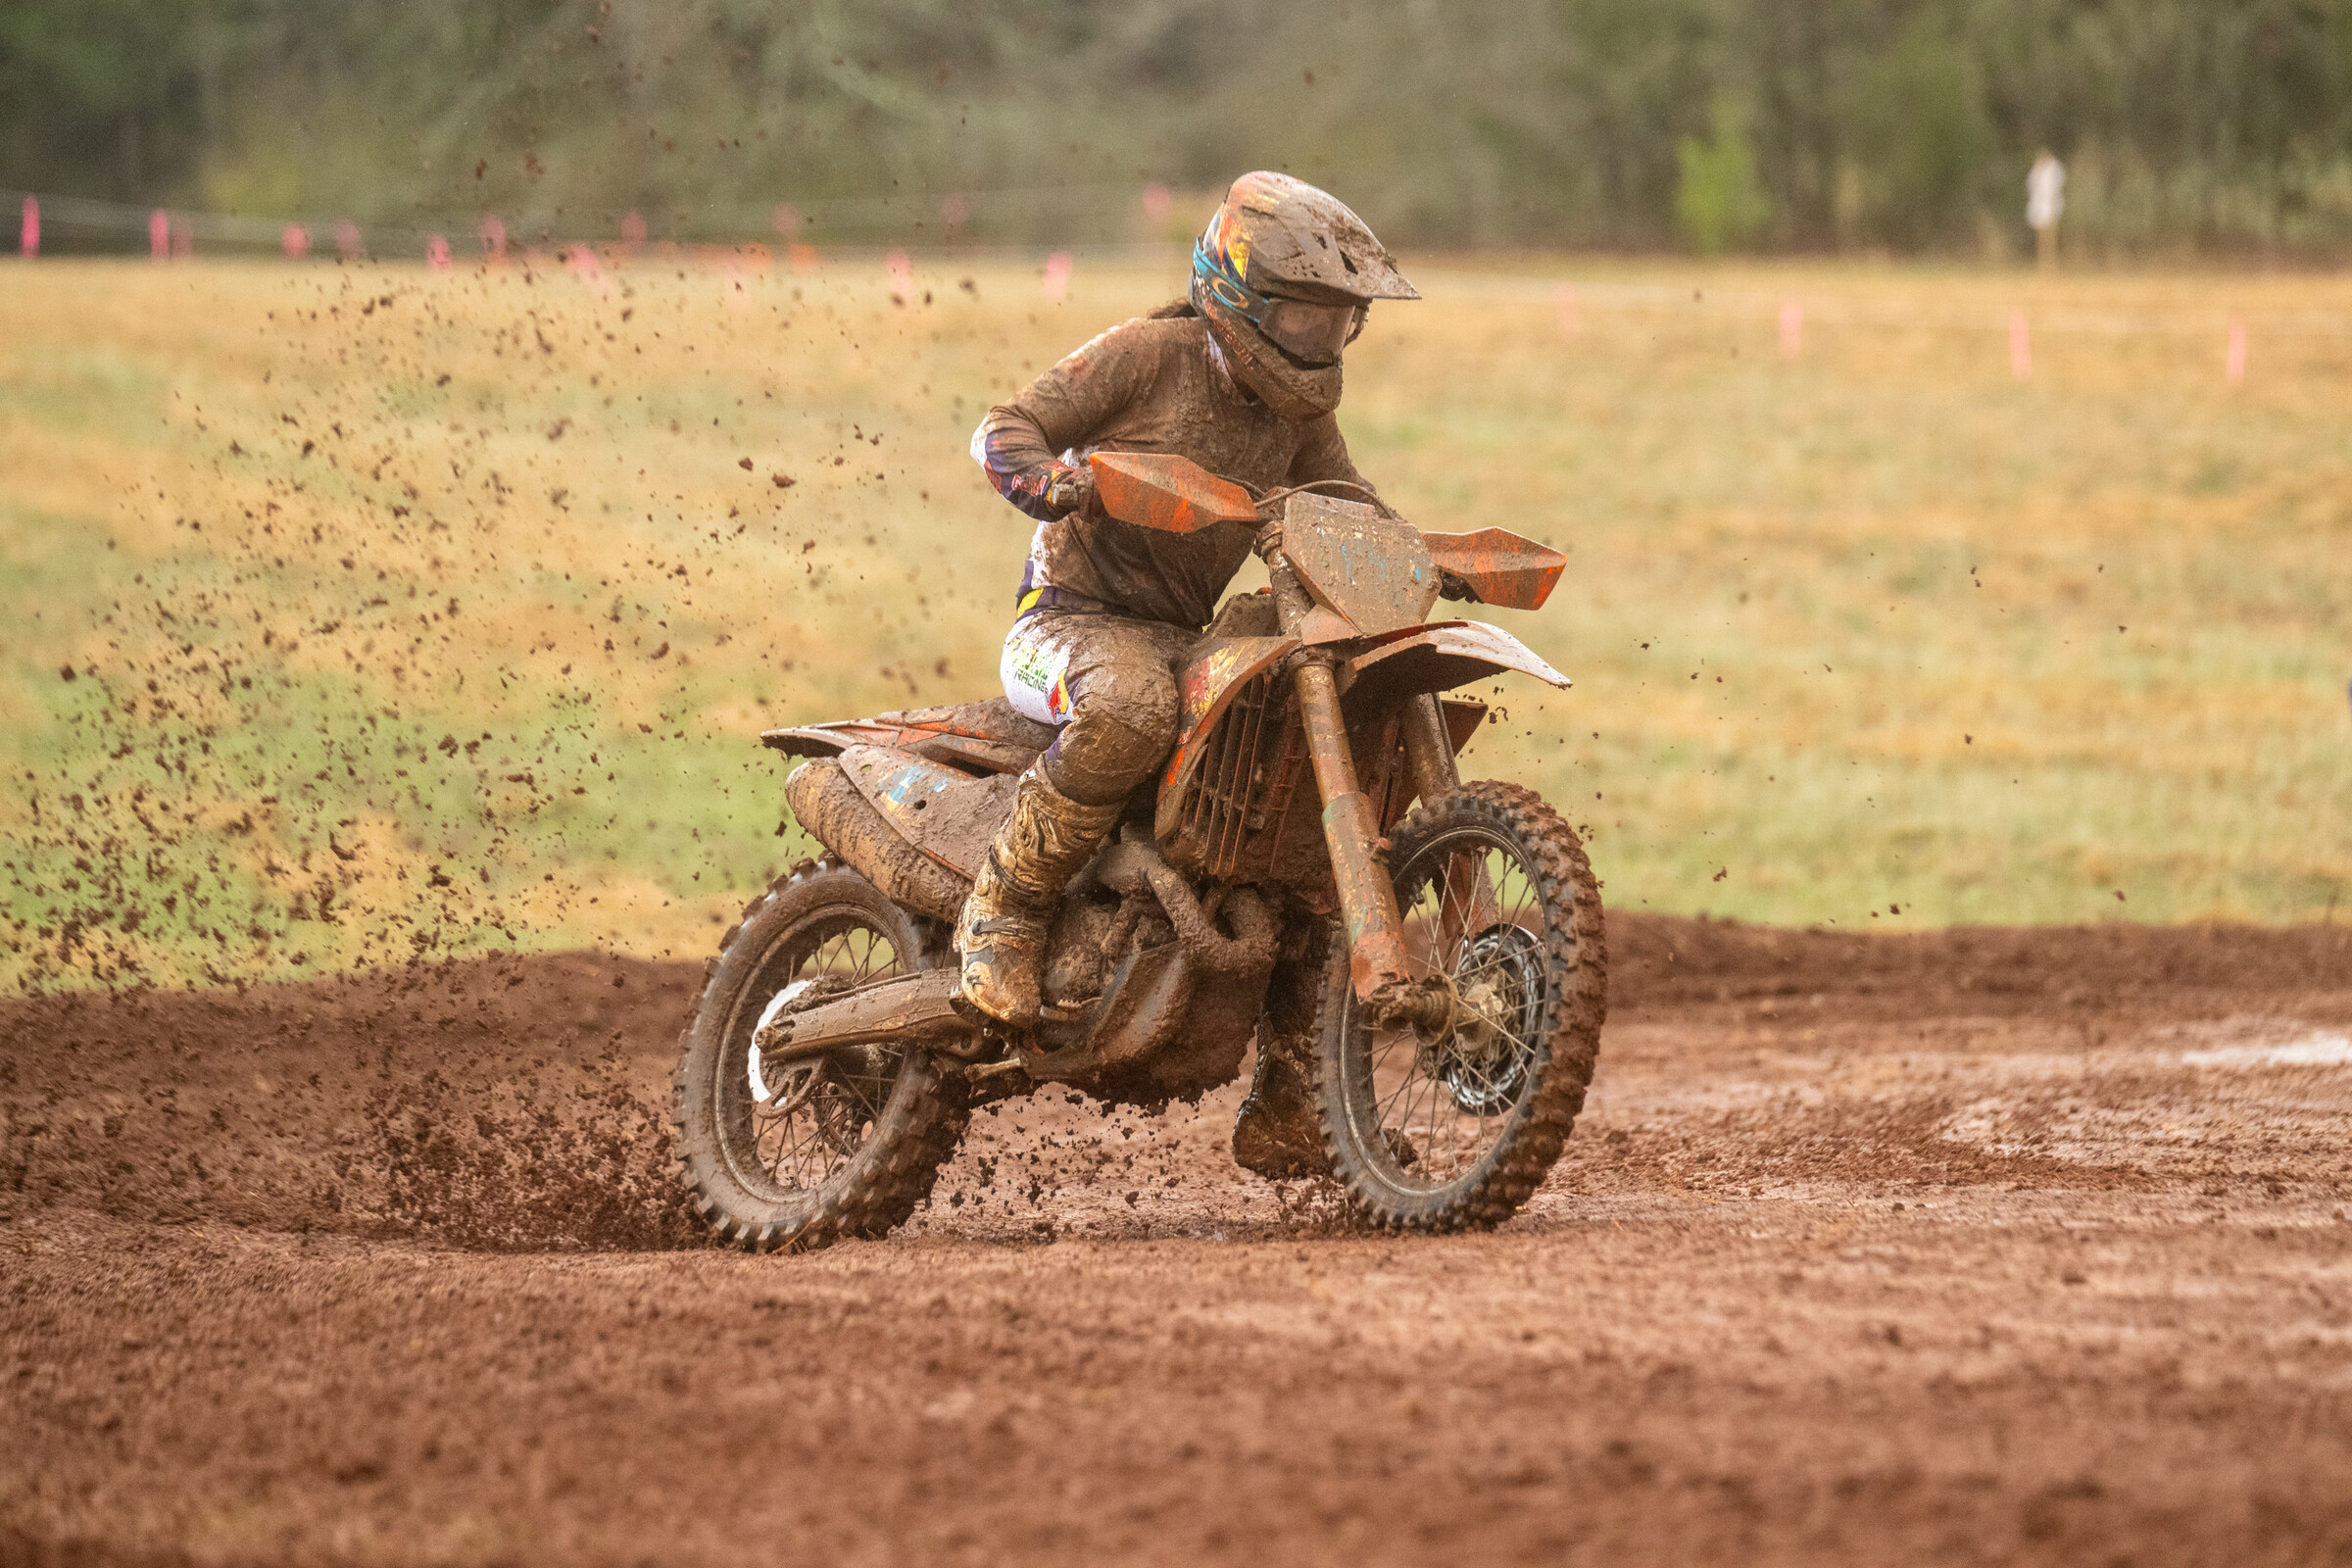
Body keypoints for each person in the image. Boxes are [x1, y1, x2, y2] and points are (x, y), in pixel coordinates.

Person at [956, 172, 1418, 1041]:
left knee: (1286, 738)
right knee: (1132, 707)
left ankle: (1298, 1086)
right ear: (1239, 297)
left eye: (1337, 321)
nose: (1320, 339)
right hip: (1064, 624)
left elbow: (1347, 502)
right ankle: (1002, 915)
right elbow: (1003, 429)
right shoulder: (1149, 354)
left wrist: (1419, 554)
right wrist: (1055, 482)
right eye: (1303, 318)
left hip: (1182, 640)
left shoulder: (1294, 423)